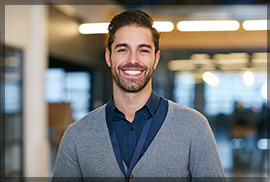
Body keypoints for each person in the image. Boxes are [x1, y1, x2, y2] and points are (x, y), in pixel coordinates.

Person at [53, 9, 225, 181]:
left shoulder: (194, 127)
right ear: (108, 57)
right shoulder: (76, 136)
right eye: (122, 50)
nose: (133, 60)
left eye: (143, 50)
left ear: (156, 59)